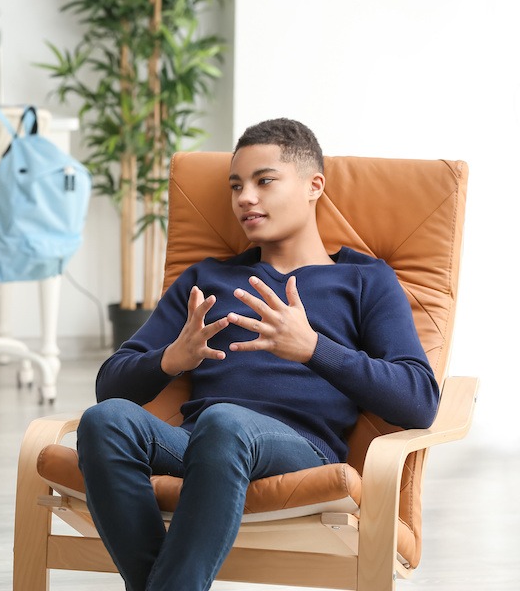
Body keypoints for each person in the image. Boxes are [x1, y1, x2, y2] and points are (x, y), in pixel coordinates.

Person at [76, 118, 440, 591]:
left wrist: (313, 348)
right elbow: (110, 386)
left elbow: (420, 399)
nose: (245, 197)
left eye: (264, 181)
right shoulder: (206, 279)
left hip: (299, 450)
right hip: (199, 442)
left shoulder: (364, 280)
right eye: (236, 186)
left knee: (226, 421)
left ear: (314, 186)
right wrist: (171, 358)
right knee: (104, 421)